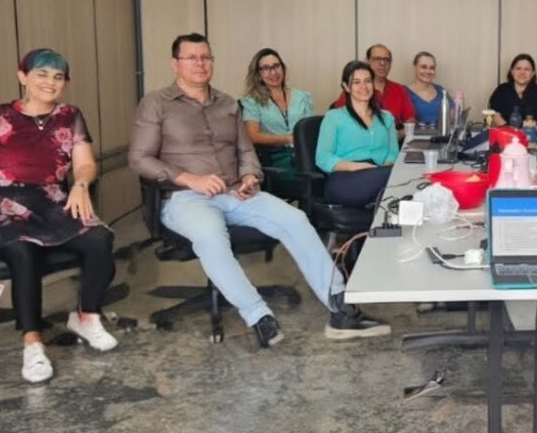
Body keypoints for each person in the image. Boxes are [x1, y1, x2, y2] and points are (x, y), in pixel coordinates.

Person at [129, 33, 389, 345]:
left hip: (236, 193)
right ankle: (258, 315)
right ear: (175, 64)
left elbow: (245, 151)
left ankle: (340, 308)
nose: (200, 64)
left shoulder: (227, 104)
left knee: (295, 219)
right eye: (191, 58)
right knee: (211, 235)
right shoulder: (156, 103)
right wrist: (189, 178)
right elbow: (139, 158)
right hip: (186, 198)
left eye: (206, 57)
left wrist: (250, 175)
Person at [0, 48, 118, 383]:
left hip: (49, 202)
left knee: (99, 238)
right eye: (41, 74)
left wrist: (80, 184)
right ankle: (32, 344)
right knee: (23, 248)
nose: (50, 82)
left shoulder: (71, 116)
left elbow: (85, 163)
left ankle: (86, 316)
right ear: (23, 77)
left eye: (58, 76)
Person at [316, 60, 399, 207]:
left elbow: (393, 153)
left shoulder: (386, 118)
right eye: (356, 82)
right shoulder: (333, 117)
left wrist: (383, 170)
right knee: (403, 179)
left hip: (379, 175)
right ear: (346, 86)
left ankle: (378, 203)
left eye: (367, 81)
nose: (364, 87)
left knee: (399, 178)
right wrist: (358, 166)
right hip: (346, 177)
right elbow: (322, 158)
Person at [239, 47, 314, 177]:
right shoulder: (252, 101)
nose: (273, 72)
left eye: (276, 66)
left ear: (283, 68)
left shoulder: (303, 97)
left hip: (305, 153)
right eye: (266, 68)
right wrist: (287, 139)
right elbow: (252, 136)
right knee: (311, 177)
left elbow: (310, 131)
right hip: (277, 158)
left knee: (330, 172)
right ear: (258, 75)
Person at [332, 44, 415, 134]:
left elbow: (410, 119)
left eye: (386, 59)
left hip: (394, 137)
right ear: (367, 61)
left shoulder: (399, 89)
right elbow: (338, 121)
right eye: (377, 59)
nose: (382, 63)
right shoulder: (355, 90)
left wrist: (396, 135)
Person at [488, 53, 537, 129]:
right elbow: (494, 113)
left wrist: (535, 131)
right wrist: (509, 131)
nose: (522, 72)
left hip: (534, 135)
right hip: (506, 134)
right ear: (512, 71)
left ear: (533, 73)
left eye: (527, 69)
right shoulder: (501, 90)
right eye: (518, 68)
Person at [405, 51, 445, 127]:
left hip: (440, 134)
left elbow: (453, 117)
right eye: (423, 67)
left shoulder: (441, 91)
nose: (428, 71)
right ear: (415, 67)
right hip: (414, 134)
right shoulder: (404, 92)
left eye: (432, 68)